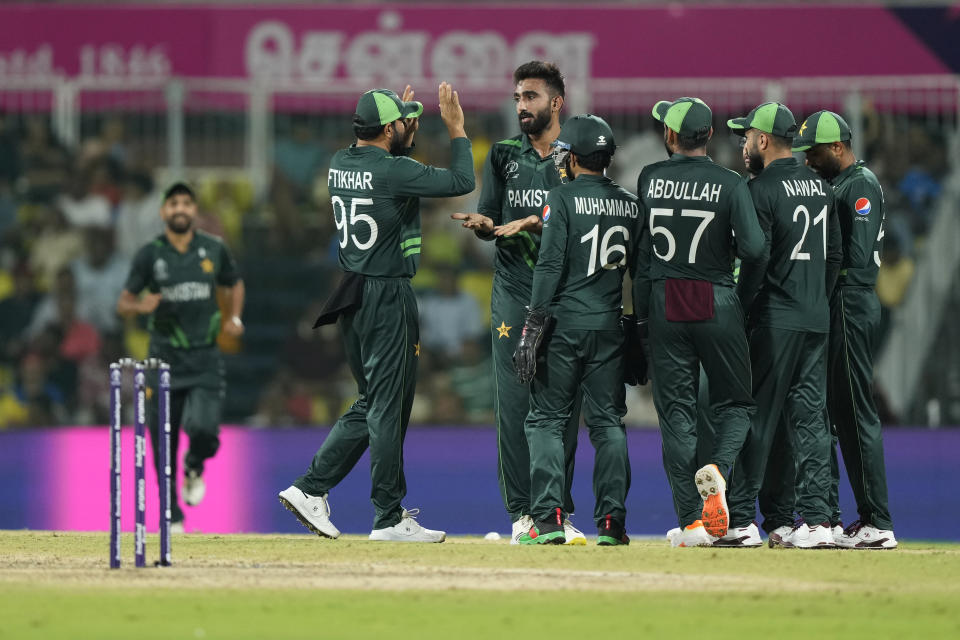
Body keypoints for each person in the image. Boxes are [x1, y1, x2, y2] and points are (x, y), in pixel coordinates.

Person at [278, 83, 475, 543]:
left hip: (352, 292)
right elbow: (461, 182)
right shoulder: (392, 171)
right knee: (386, 408)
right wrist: (457, 131)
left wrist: (402, 128)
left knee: (374, 404)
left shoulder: (340, 163)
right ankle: (385, 516)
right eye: (404, 122)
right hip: (387, 294)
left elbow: (393, 167)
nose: (411, 126)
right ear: (388, 129)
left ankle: (312, 489)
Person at [450, 61, 586, 545]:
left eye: (530, 96)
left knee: (562, 407)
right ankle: (523, 516)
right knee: (513, 404)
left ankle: (556, 511)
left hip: (564, 292)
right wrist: (486, 227)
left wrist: (533, 221)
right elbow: (489, 217)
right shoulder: (504, 155)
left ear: (556, 102)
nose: (522, 106)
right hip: (512, 290)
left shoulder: (578, 156)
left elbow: (581, 226)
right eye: (517, 98)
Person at [634, 97, 767, 548]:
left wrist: (642, 321)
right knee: (736, 404)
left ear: (670, 137)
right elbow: (753, 249)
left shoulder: (650, 178)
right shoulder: (730, 183)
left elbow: (641, 259)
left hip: (665, 300)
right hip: (715, 298)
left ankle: (692, 523)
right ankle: (719, 469)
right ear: (709, 136)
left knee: (677, 416)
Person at [513, 115, 641, 545]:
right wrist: (637, 326)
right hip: (609, 326)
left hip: (565, 325)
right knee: (608, 425)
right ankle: (611, 524)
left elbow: (549, 265)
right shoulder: (630, 202)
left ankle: (547, 520)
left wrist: (533, 324)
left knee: (547, 421)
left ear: (574, 156)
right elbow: (638, 272)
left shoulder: (560, 199)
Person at [719, 102, 842, 549]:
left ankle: (744, 519)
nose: (743, 144)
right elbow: (834, 257)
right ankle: (817, 521)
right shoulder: (819, 185)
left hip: (775, 319)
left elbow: (755, 257)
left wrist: (743, 307)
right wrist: (816, 301)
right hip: (815, 317)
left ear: (764, 140)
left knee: (758, 419)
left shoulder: (759, 189)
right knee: (810, 421)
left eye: (746, 137)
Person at [793, 110, 897, 549]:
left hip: (850, 302)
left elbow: (854, 260)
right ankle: (854, 517)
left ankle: (878, 521)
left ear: (838, 148)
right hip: (839, 304)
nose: (809, 161)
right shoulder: (838, 184)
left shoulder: (860, 185)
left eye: (814, 153)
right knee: (839, 413)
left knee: (857, 413)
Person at [116, 182, 245, 531]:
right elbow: (124, 302)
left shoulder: (213, 249)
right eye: (173, 204)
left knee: (204, 429)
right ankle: (171, 511)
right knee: (163, 437)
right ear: (163, 212)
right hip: (164, 360)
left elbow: (234, 283)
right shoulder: (150, 254)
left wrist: (234, 316)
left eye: (186, 204)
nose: (180, 209)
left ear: (195, 211)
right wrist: (140, 304)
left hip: (204, 357)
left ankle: (195, 464)